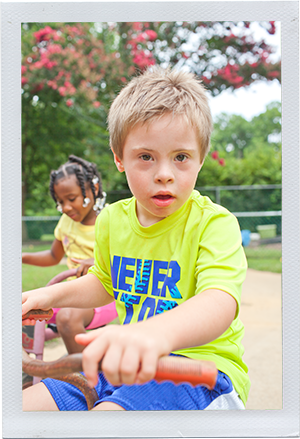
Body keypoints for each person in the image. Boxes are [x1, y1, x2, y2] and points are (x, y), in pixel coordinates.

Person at [22, 66, 250, 411]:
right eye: (146, 157)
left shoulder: (215, 223)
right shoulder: (113, 218)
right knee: (23, 408)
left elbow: (218, 302)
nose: (164, 174)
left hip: (199, 373)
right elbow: (104, 281)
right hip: (127, 362)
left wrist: (152, 334)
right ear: (119, 159)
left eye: (181, 158)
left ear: (201, 159)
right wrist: (48, 294)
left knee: (106, 420)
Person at [22, 155, 117, 354]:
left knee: (67, 317)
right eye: (60, 202)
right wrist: (22, 257)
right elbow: (53, 256)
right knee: (24, 310)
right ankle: (30, 370)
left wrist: (96, 262)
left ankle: (83, 380)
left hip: (106, 298)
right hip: (71, 294)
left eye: (71, 199)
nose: (65, 207)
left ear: (95, 189)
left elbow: (126, 260)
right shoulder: (66, 222)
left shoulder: (112, 220)